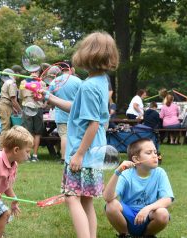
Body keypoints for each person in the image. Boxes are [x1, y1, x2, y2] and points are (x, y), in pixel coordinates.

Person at [43, 31, 119, 238]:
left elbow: (93, 123)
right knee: (85, 199)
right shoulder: (102, 81)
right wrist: (50, 97)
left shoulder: (87, 87)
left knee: (71, 197)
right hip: (94, 152)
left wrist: (78, 154)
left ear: (87, 55)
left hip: (82, 152)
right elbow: (77, 109)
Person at [103, 138, 174, 237]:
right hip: (128, 217)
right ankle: (125, 234)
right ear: (136, 159)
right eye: (149, 153)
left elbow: (167, 199)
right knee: (111, 205)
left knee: (163, 213)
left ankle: (147, 235)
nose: (155, 155)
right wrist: (118, 172)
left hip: (149, 216)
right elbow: (107, 198)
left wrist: (147, 209)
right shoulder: (126, 174)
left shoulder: (160, 173)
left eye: (155, 152)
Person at [51, 61, 82, 163]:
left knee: (63, 136)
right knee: (74, 136)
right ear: (71, 69)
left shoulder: (55, 81)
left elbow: (48, 96)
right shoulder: (78, 81)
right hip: (75, 113)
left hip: (60, 113)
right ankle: (72, 157)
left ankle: (63, 157)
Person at [19, 69, 46, 162]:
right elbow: (44, 97)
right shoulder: (42, 83)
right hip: (38, 108)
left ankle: (28, 155)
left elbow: (20, 96)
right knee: (37, 133)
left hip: (26, 107)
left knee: (27, 132)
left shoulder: (23, 82)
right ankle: (34, 155)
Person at [0, 68, 22, 149]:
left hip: (5, 105)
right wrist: (21, 111)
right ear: (16, 73)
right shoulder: (12, 83)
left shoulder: (7, 82)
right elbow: (13, 100)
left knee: (7, 128)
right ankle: (0, 150)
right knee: (5, 129)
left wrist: (13, 108)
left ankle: (5, 149)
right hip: (5, 106)